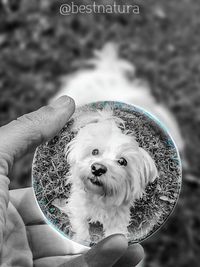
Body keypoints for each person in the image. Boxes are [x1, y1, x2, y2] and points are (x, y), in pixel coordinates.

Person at [0, 96, 144, 267]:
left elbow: (118, 233)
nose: (99, 166)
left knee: (117, 237)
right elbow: (78, 213)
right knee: (81, 218)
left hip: (117, 209)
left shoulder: (124, 202)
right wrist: (82, 236)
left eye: (121, 162)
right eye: (95, 152)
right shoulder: (79, 194)